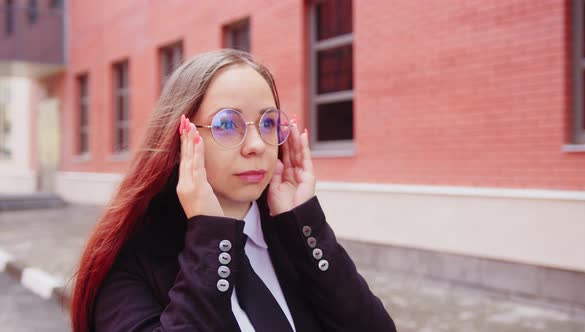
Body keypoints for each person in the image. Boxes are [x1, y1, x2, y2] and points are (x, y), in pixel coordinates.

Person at [70, 49, 396, 332]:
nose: (256, 145)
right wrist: (210, 242)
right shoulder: (132, 262)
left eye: (268, 123)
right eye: (227, 124)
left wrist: (306, 221)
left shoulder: (290, 235)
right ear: (181, 140)